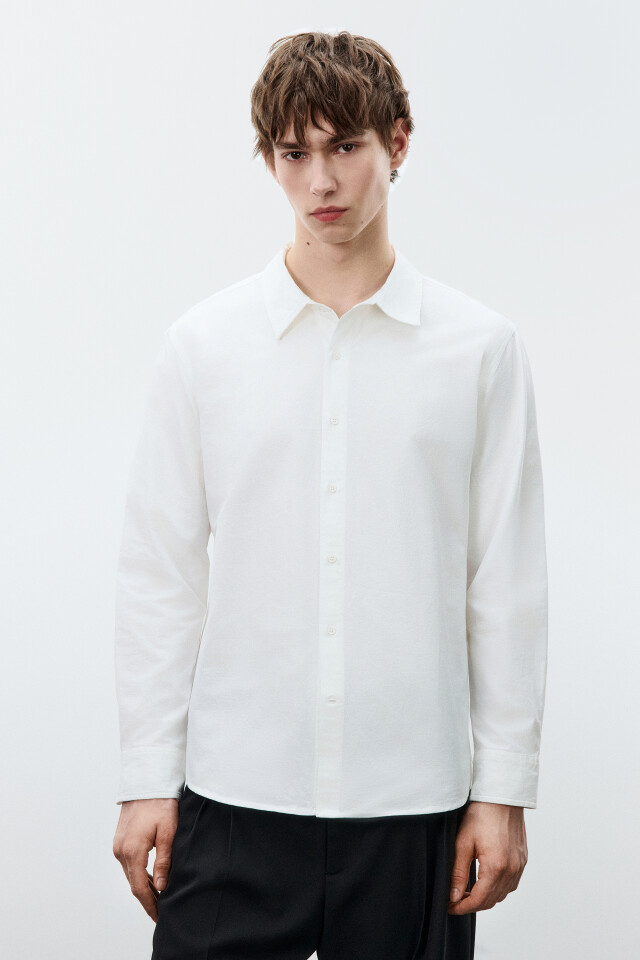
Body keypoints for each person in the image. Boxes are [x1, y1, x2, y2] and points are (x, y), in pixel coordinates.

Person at [112, 30, 548, 960]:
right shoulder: (204, 346)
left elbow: (505, 581)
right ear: (270, 160)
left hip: (415, 803)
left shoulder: (480, 349)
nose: (321, 181)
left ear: (398, 142)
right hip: (235, 795)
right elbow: (162, 575)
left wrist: (503, 790)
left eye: (345, 146)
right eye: (294, 153)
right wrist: (147, 774)